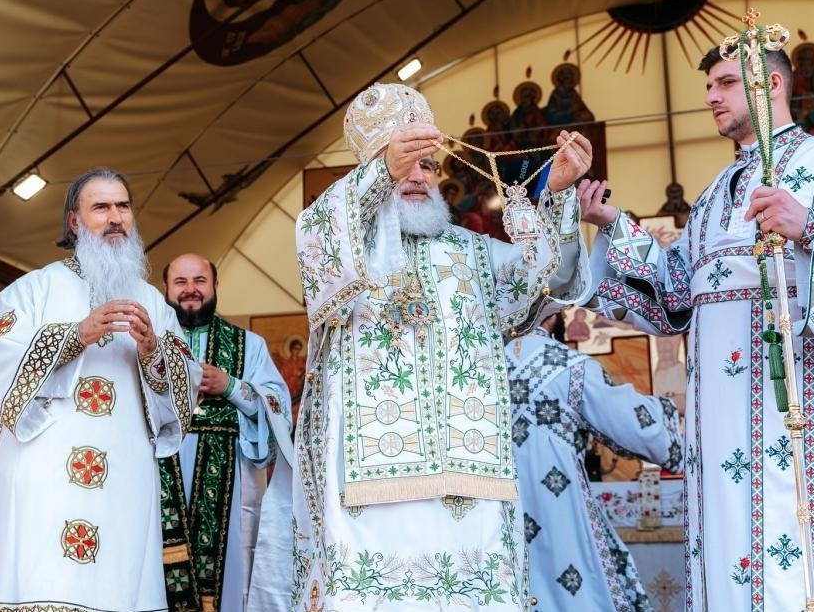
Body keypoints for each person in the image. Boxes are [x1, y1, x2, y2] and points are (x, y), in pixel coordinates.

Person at [577, 44, 814, 610]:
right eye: (709, 87)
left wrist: (811, 226)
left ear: (770, 85)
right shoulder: (717, 191)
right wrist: (611, 221)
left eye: (723, 84)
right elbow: (673, 294)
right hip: (723, 431)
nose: (710, 97)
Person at [250, 82, 593, 611]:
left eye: (428, 165)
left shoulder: (473, 253)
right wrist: (380, 170)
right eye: (404, 164)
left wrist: (560, 194)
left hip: (472, 479)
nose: (417, 176)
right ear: (373, 171)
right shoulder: (339, 239)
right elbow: (319, 230)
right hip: (366, 483)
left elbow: (550, 282)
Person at [0, 168, 201, 612]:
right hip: (48, 472)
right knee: (50, 579)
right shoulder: (33, 290)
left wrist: (153, 349)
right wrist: (74, 335)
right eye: (101, 207)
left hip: (125, 472)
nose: (115, 217)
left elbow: (184, 385)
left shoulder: (151, 300)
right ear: (75, 222)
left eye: (122, 206)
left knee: (122, 581)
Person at [507, 311, 682, 609]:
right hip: (560, 517)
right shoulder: (570, 366)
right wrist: (677, 408)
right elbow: (638, 425)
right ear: (551, 314)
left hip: (498, 517)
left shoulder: (479, 368)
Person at [159, 253, 290, 612]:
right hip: (157, 474)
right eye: (180, 282)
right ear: (165, 289)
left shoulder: (250, 344)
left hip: (229, 483)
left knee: (230, 572)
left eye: (200, 281)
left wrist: (230, 385)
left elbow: (278, 406)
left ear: (215, 286)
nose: (191, 291)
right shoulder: (149, 343)